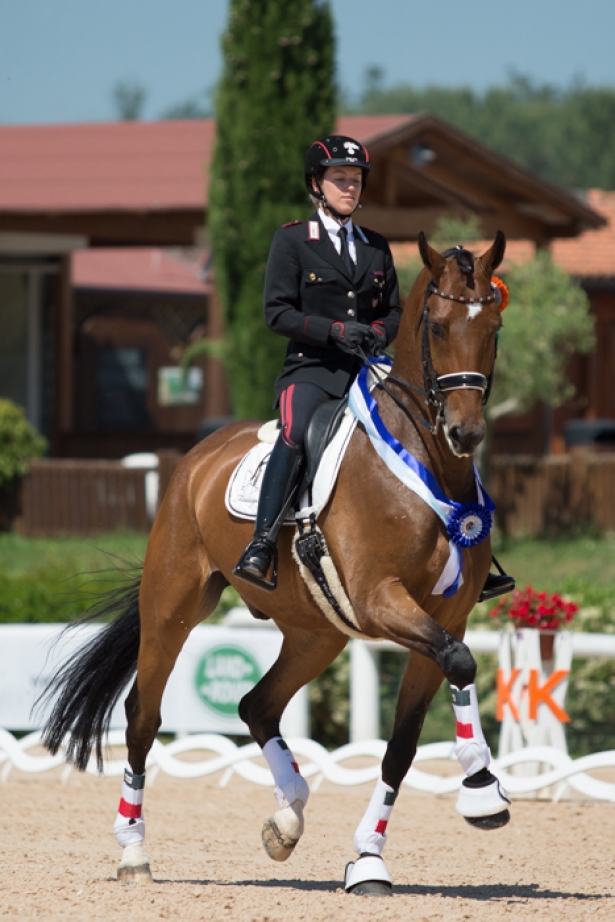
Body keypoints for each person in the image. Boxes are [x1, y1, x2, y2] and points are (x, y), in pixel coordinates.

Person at [233, 134, 401, 589]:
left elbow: (393, 311)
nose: (350, 187)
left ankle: (463, 541)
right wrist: (335, 331)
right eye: (340, 179)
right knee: (294, 431)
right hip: (313, 370)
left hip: (367, 372)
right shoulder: (292, 240)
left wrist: (378, 333)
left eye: (357, 180)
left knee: (424, 428)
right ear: (317, 184)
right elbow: (277, 312)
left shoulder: (376, 246)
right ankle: (262, 543)